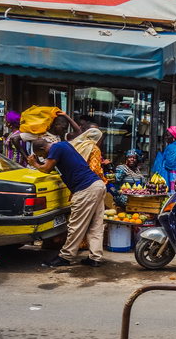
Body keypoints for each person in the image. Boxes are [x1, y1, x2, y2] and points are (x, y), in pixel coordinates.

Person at [28, 137, 106, 268]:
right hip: (97, 185)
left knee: (76, 225)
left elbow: (46, 168)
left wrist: (34, 163)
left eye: (42, 155)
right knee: (95, 225)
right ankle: (95, 257)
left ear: (43, 149)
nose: (44, 158)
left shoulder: (56, 148)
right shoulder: (63, 145)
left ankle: (66, 256)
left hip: (85, 189)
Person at [10, 110, 80, 160]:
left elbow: (78, 132)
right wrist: (26, 157)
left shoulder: (61, 136)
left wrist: (66, 116)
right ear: (56, 125)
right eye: (63, 128)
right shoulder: (40, 133)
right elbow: (14, 139)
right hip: (36, 169)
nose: (65, 130)